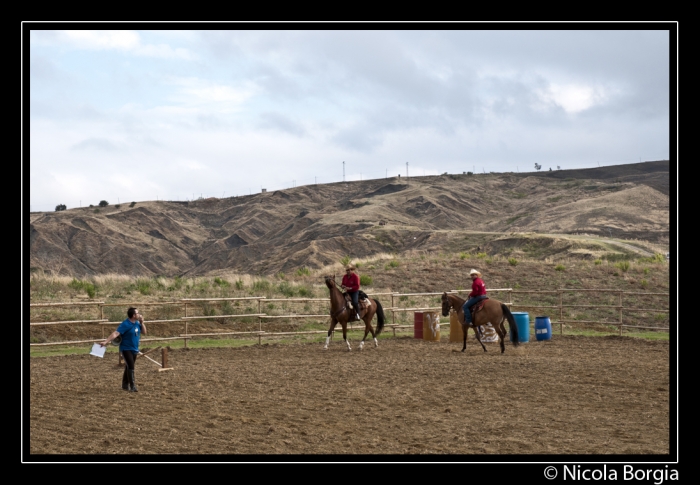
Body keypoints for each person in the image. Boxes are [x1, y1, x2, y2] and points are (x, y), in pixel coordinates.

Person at [101, 307, 147, 392]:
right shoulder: (125, 324)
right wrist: (106, 341)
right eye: (137, 313)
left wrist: (142, 322)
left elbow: (144, 332)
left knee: (129, 366)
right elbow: (116, 333)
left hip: (134, 348)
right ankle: (132, 386)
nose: (139, 314)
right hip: (126, 348)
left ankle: (125, 384)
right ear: (133, 315)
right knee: (131, 365)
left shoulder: (137, 323)